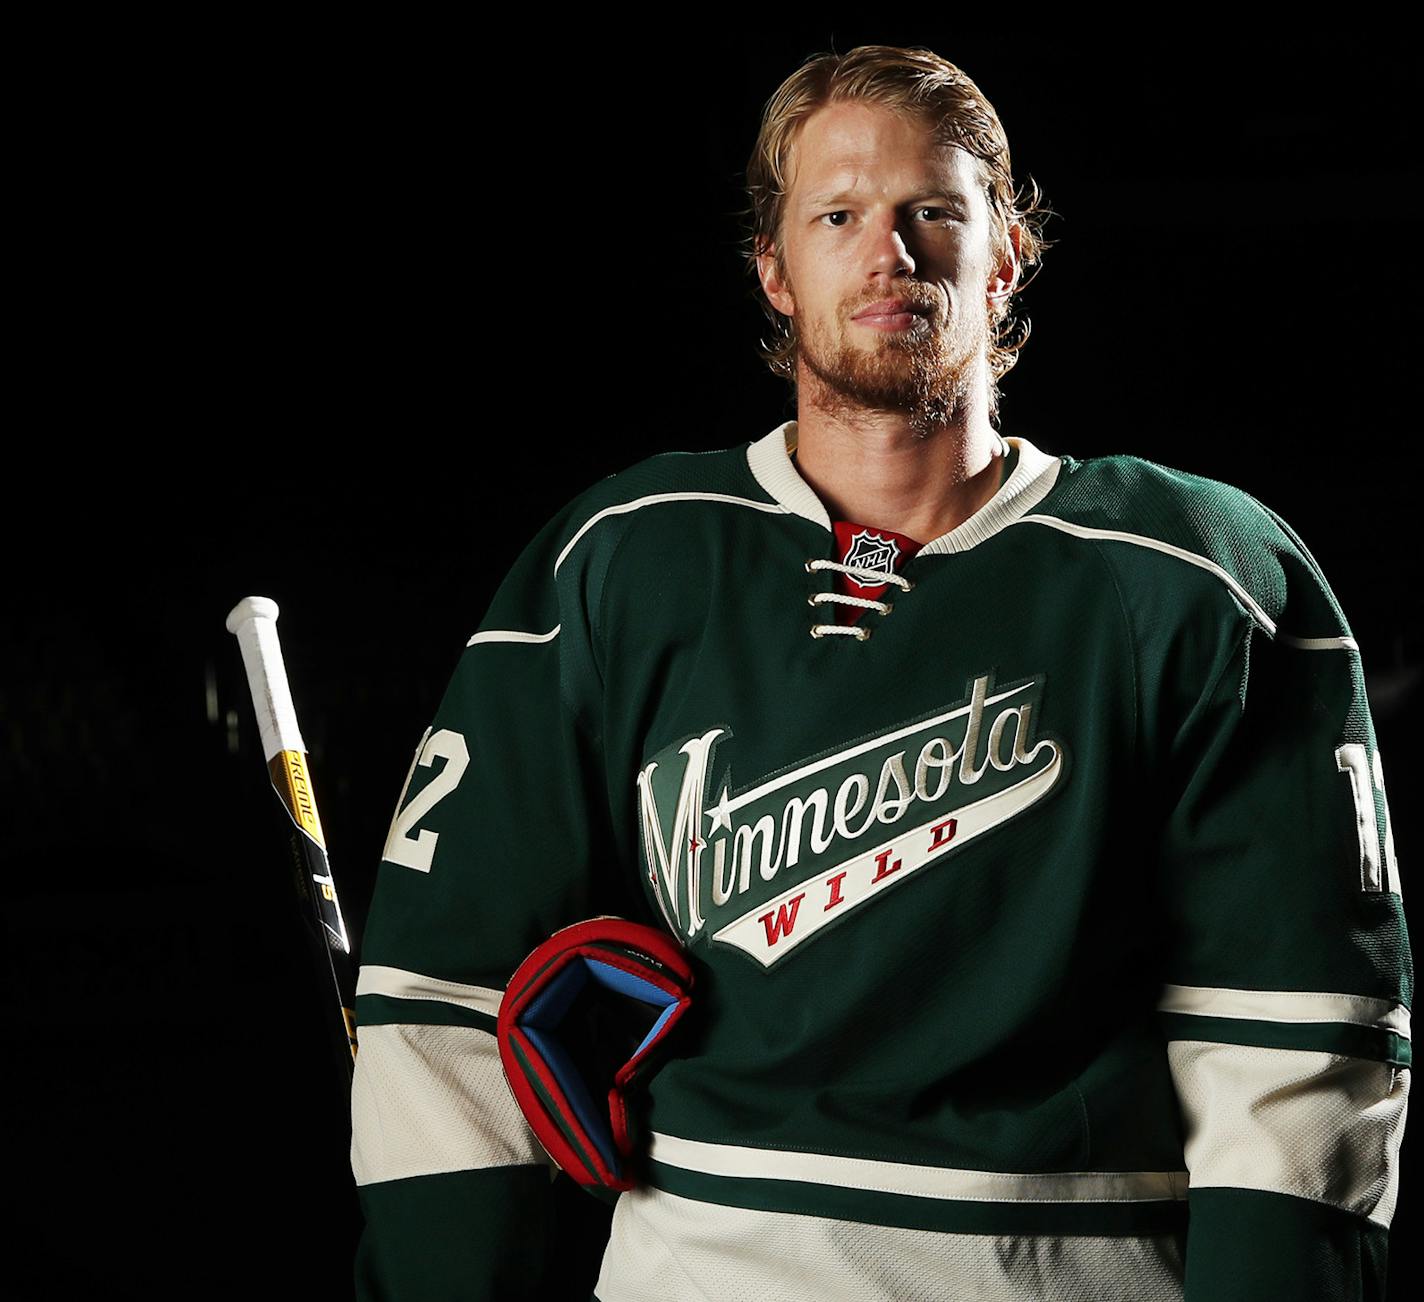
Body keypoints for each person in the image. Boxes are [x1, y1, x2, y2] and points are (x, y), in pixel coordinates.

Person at [350, 44, 1410, 1301]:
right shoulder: (619, 562)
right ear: (773, 271)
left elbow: (1294, 1050)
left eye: (932, 212)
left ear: (1005, 252)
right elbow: (441, 998)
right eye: (837, 215)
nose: (886, 252)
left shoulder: (1197, 575)